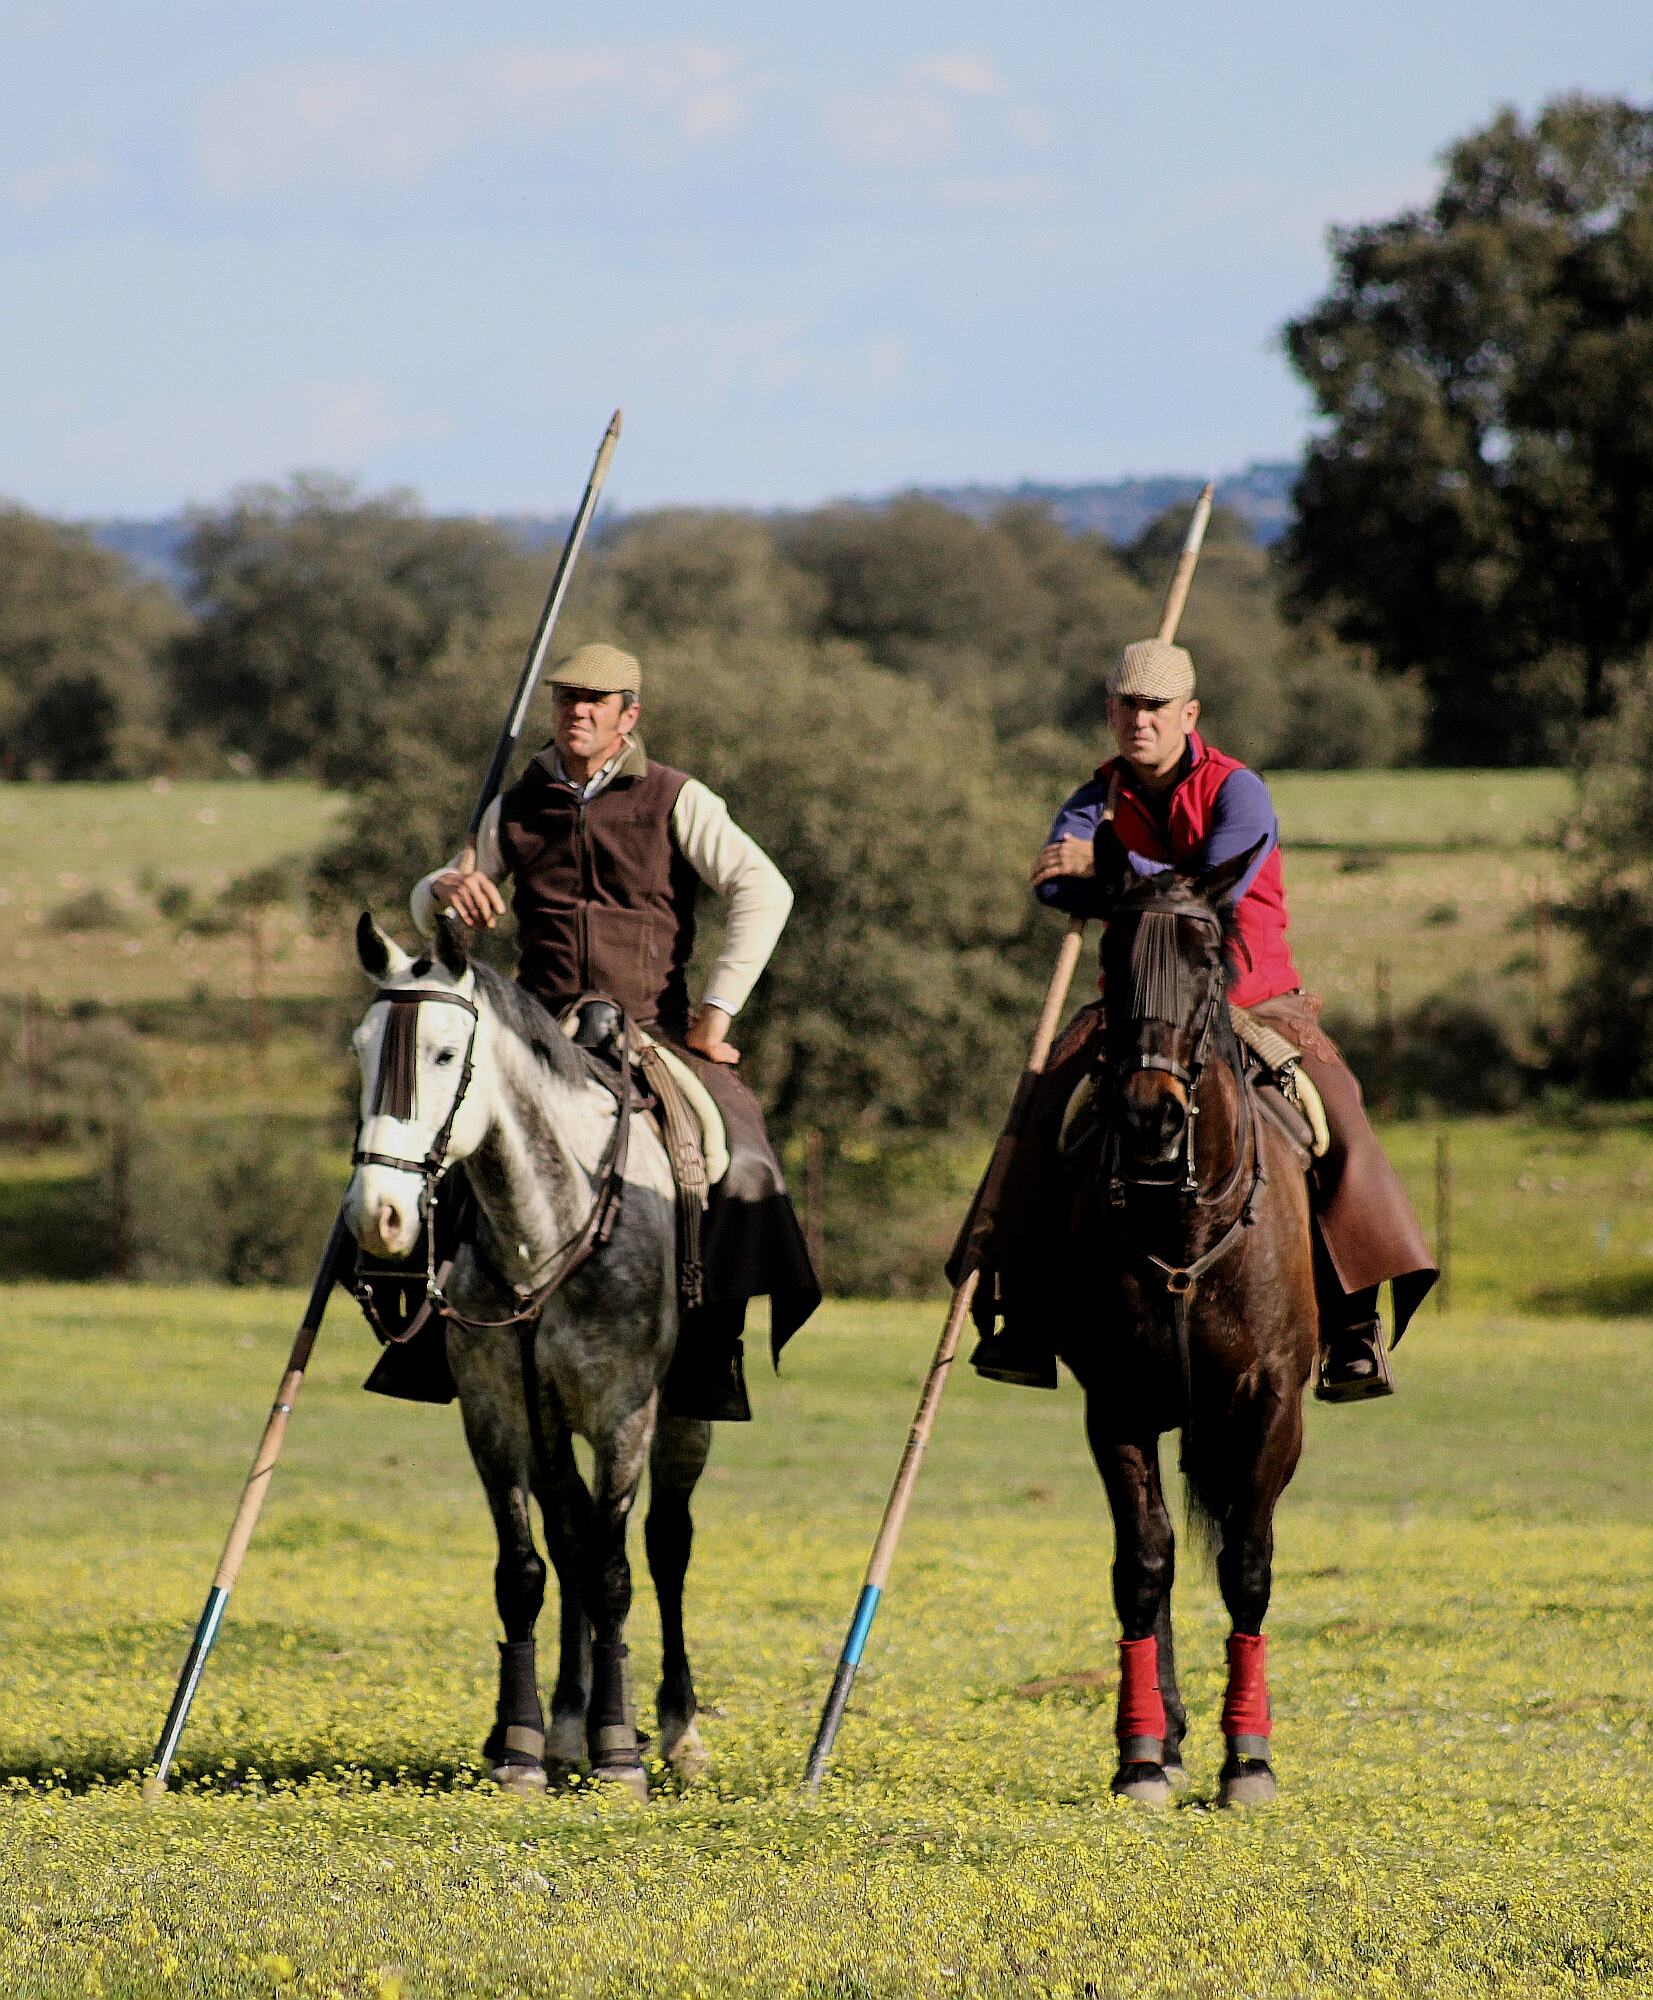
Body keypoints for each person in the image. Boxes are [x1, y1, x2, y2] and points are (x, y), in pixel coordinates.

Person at [969, 636, 1435, 1401]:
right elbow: (1053, 881)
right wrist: (1101, 872)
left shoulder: (1237, 789)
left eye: (1154, 707)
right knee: (1042, 1106)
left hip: (1253, 995)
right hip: (1137, 1000)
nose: (1138, 721)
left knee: (1335, 1113)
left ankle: (1352, 1329)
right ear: (1110, 712)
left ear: (1188, 715)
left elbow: (1218, 881)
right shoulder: (1097, 795)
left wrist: (1112, 871)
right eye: (1125, 705)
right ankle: (1021, 1310)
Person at [409, 640, 819, 1419]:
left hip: (650, 1032)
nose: (578, 711)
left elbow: (764, 888)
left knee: (742, 1165)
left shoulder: (675, 798)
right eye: (567, 698)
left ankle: (709, 1346)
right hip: (535, 1033)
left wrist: (718, 1010)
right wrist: (445, 887)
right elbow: (428, 902)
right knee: (440, 1151)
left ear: (628, 716)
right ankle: (442, 1335)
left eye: (596, 701)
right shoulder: (514, 805)